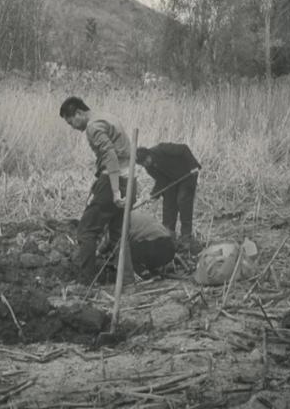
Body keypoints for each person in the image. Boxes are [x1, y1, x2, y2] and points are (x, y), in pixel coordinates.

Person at [59, 96, 132, 283]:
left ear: (79, 113)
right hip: (129, 179)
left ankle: (86, 282)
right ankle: (127, 280)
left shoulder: (93, 126)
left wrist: (114, 190)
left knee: (86, 231)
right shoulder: (107, 117)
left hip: (114, 180)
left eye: (71, 122)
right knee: (118, 232)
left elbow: (110, 156)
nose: (72, 127)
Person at [135, 143, 201, 246]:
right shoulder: (149, 168)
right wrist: (153, 195)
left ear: (149, 154)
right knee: (168, 205)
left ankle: (186, 236)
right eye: (143, 164)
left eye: (146, 161)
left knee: (183, 200)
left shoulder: (162, 149)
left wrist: (193, 166)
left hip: (187, 174)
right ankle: (169, 237)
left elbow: (184, 149)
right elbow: (161, 181)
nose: (146, 164)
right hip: (171, 182)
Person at [97, 211, 176, 277]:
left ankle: (142, 273)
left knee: (124, 252)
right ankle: (155, 270)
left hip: (153, 246)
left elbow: (110, 241)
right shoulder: (132, 214)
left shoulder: (117, 221)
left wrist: (98, 252)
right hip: (169, 247)